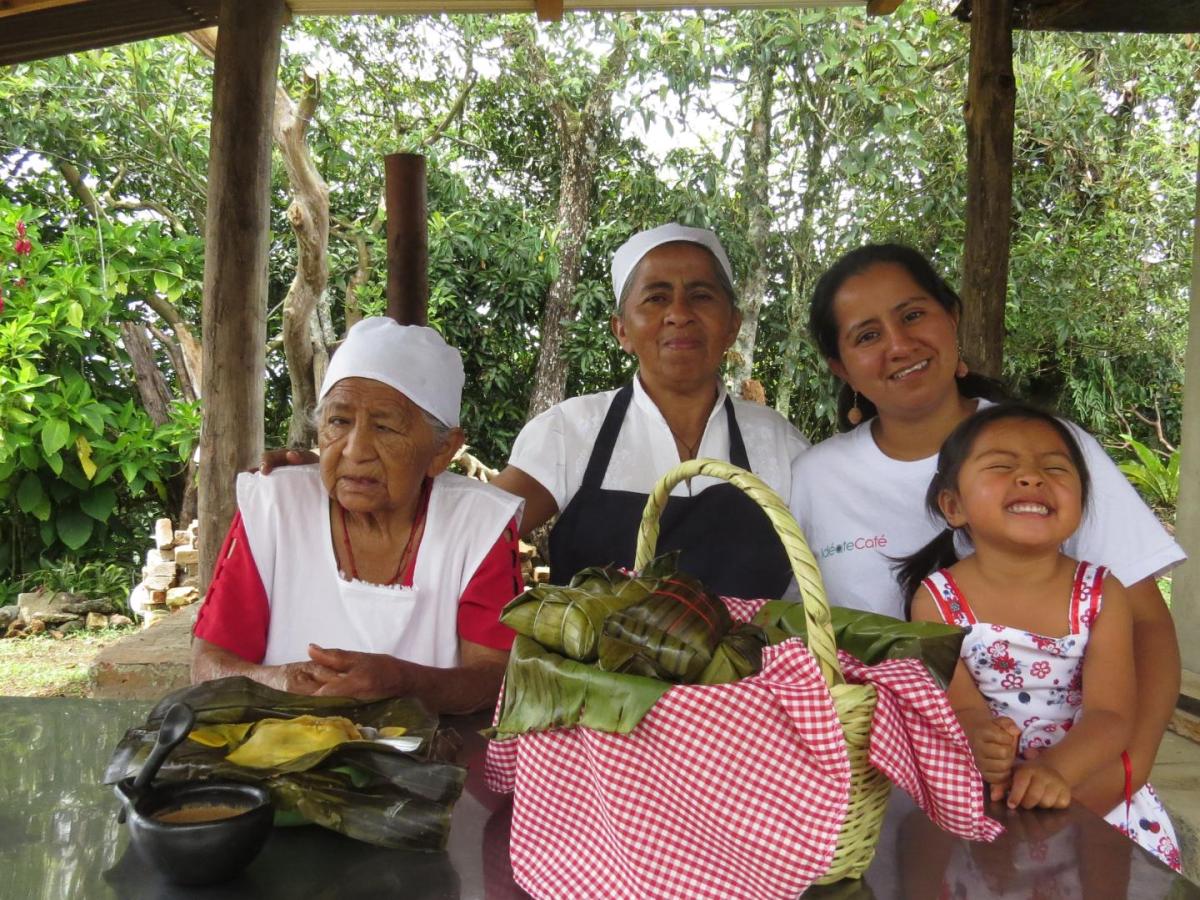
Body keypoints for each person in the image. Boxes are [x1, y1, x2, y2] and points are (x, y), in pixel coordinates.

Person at [788, 243, 1184, 823]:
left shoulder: (1052, 451)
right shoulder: (814, 478)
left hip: (1075, 792)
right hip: (883, 798)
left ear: (952, 315)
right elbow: (809, 642)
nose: (899, 344)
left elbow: (1148, 624)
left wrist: (1130, 770)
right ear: (841, 368)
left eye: (913, 314)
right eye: (866, 335)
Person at [191, 317, 524, 713]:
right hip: (276, 754)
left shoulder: (478, 524)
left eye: (384, 427)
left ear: (442, 450)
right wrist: (281, 682)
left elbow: (497, 680)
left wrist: (406, 683)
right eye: (338, 422)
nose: (354, 450)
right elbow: (209, 664)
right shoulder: (275, 505)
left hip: (426, 764)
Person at [899, 403, 1179, 870]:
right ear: (954, 505)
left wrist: (1056, 771)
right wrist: (978, 738)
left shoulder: (1101, 593)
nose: (1031, 478)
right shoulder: (935, 600)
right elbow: (957, 706)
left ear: (1082, 504)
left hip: (1092, 785)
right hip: (987, 800)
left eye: (1054, 467)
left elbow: (1111, 714)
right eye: (1002, 466)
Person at [488, 223, 810, 599]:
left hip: (756, 660)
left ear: (732, 325)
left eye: (701, 296)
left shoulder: (779, 443)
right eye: (656, 298)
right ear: (622, 330)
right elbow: (469, 537)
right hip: (590, 661)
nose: (679, 314)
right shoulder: (570, 432)